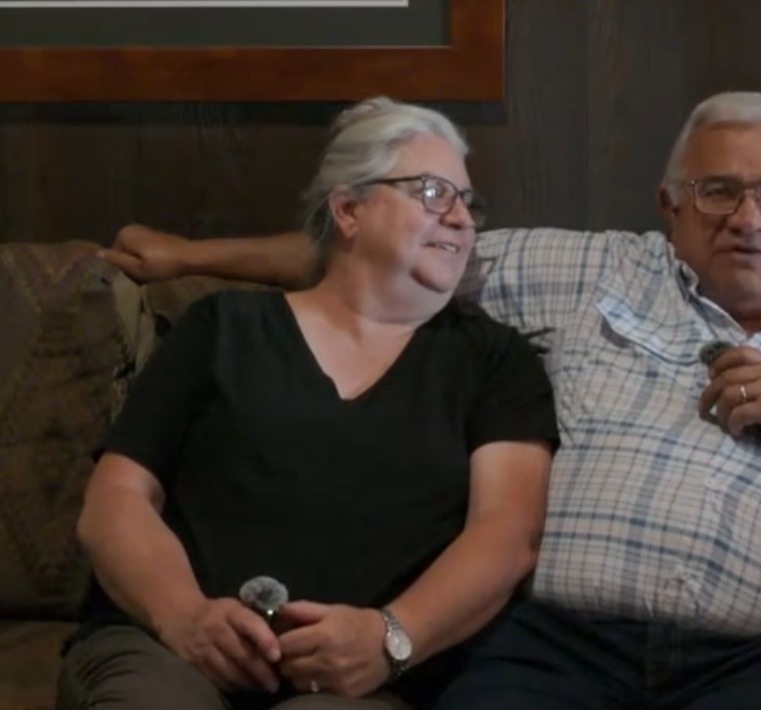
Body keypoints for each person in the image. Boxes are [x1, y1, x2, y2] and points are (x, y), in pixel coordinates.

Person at [98, 91, 761, 710]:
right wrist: (189, 256)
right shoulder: (590, 268)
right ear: (667, 203)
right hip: (552, 647)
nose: (746, 217)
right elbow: (386, 251)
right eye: (716, 190)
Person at [59, 97, 559, 710]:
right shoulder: (222, 328)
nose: (461, 220)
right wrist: (184, 616)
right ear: (349, 209)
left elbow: (505, 536)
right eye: (433, 193)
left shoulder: (494, 361)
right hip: (166, 647)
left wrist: (390, 637)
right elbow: (115, 501)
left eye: (468, 202)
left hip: (362, 682)